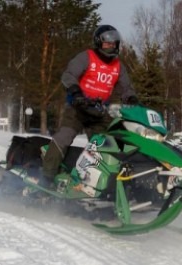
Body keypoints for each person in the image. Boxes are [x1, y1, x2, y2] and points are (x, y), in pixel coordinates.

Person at [40, 24, 138, 188]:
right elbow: (69, 75)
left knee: (107, 146)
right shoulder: (87, 57)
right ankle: (46, 177)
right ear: (99, 43)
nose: (110, 46)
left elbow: (127, 88)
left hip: (99, 112)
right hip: (78, 108)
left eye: (114, 43)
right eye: (107, 43)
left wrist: (132, 99)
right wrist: (76, 92)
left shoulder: (118, 66)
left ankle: (100, 184)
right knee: (63, 138)